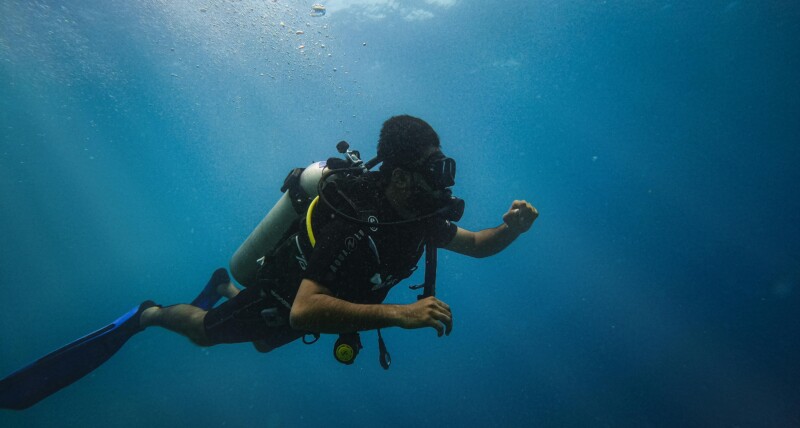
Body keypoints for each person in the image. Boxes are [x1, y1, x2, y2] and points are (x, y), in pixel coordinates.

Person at [0, 115, 537, 410]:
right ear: (397, 175)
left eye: (446, 167)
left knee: (260, 342)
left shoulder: (415, 218)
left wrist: (508, 229)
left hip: (313, 304)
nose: (445, 181)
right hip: (284, 295)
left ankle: (222, 286)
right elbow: (305, 312)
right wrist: (399, 315)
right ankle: (150, 314)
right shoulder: (357, 220)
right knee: (206, 334)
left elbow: (478, 244)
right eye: (435, 169)